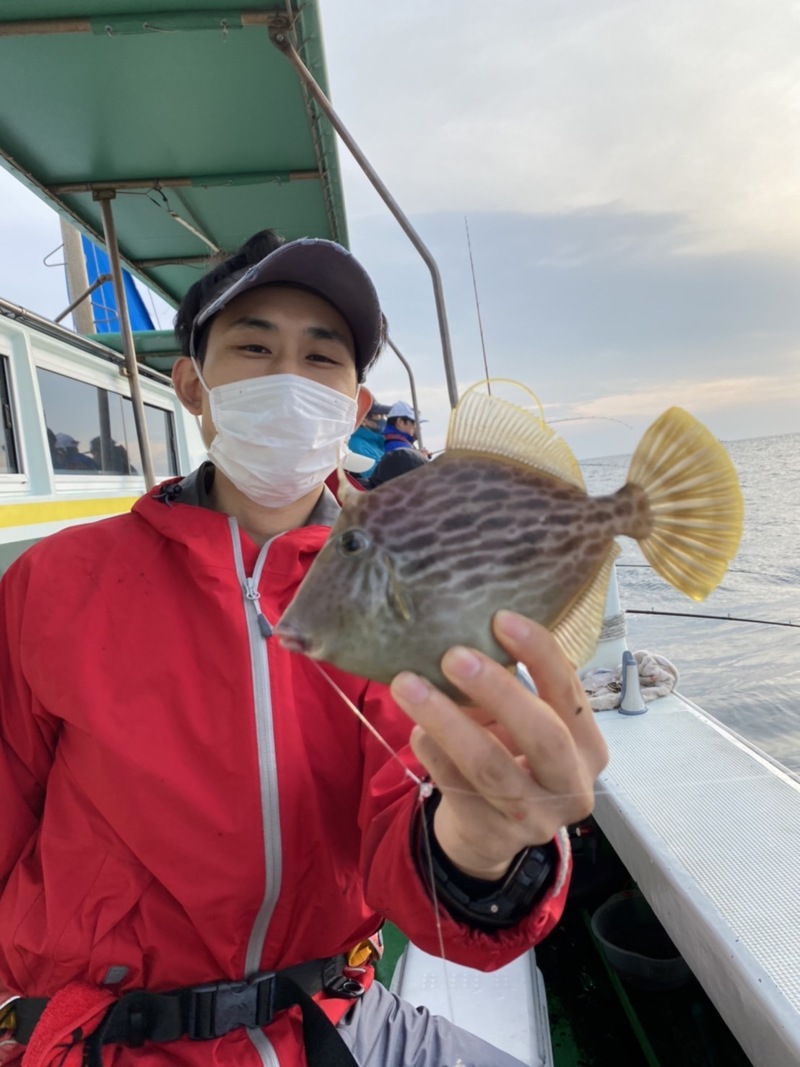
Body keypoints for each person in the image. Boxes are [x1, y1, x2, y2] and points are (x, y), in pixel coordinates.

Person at [0, 229, 607, 1067]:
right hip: (106, 1039)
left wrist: (478, 850)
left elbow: (409, 805)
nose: (289, 378)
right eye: (254, 347)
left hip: (331, 1015)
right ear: (192, 385)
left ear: (354, 408)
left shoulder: (399, 589)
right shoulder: (55, 580)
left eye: (322, 358)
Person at [347, 400, 390, 479]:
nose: (383, 419)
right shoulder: (357, 445)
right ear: (363, 420)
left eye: (383, 415)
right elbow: (378, 477)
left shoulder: (372, 442)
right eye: (378, 415)